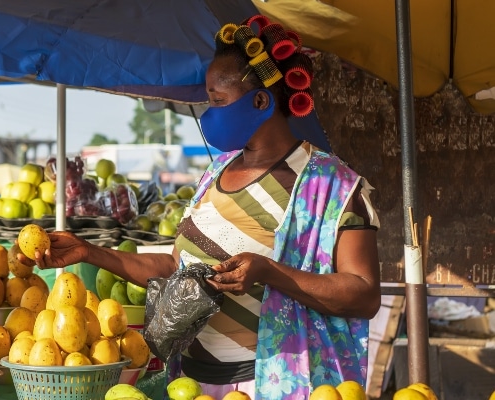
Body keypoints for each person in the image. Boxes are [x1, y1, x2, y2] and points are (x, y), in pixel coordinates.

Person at [23, 16, 380, 399]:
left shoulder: (333, 186)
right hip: (191, 384)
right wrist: (89, 252)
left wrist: (269, 272)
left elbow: (363, 294)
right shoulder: (215, 173)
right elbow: (176, 269)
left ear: (260, 102)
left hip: (271, 384)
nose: (208, 113)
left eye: (217, 101)